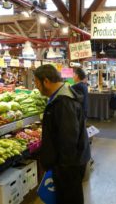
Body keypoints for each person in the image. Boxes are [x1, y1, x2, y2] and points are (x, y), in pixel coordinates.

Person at [33, 65, 91, 204]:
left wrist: (62, 168)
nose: (36, 87)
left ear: (46, 81)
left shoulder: (63, 102)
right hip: (71, 162)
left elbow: (68, 139)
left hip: (68, 164)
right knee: (71, 197)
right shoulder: (62, 95)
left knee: (69, 198)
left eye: (36, 83)